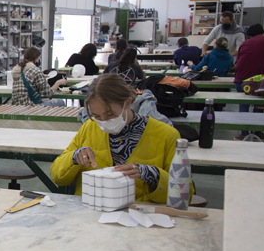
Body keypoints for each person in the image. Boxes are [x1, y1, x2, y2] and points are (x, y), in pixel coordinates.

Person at [50, 74, 185, 204]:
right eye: (97, 116)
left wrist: (153, 175)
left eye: (110, 115)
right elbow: (57, 175)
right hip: (91, 212)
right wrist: (74, 157)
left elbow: (183, 194)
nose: (103, 121)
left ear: (127, 103)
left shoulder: (166, 135)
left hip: (140, 215)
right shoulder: (90, 127)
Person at [233, 24, 264, 141]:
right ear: (263, 32)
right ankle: (258, 133)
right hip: (258, 79)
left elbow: (239, 60)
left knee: (243, 106)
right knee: (259, 105)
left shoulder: (244, 43)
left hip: (241, 78)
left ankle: (244, 134)